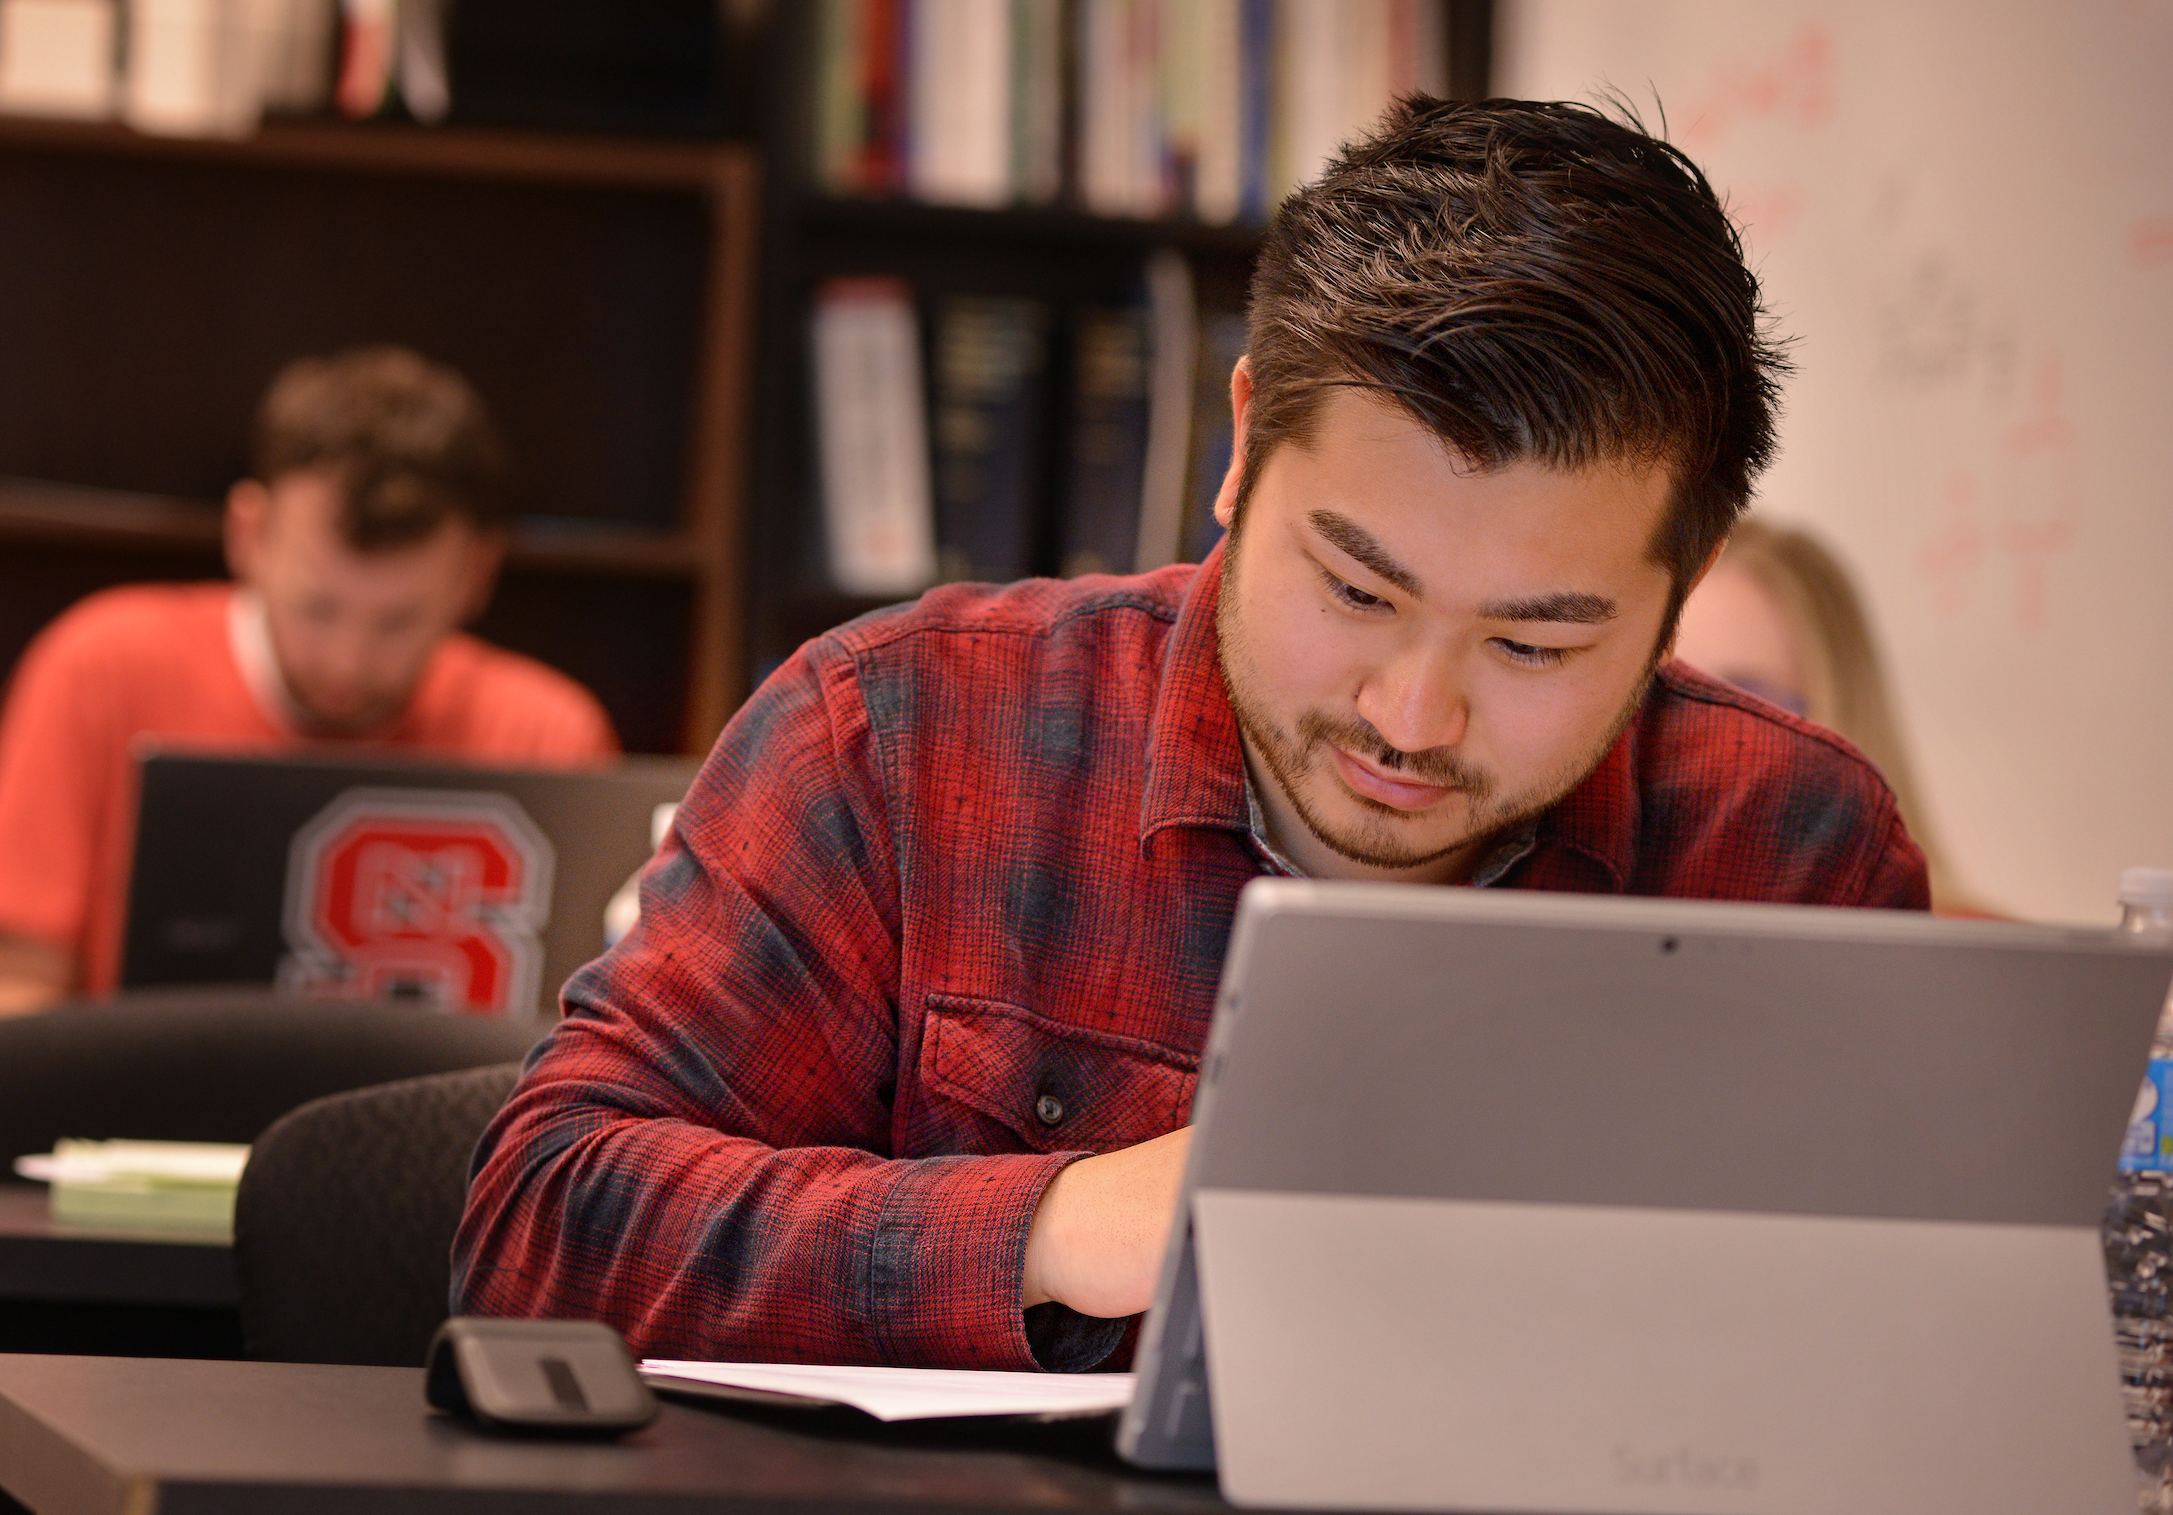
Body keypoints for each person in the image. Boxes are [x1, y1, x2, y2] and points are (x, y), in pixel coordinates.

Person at [454, 97, 1929, 1371]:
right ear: (1241, 448)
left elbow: (1898, 1360)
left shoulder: (1788, 846)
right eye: (1355, 587)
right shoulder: (903, 734)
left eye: (1538, 641)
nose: (1412, 716)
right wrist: (1051, 1226)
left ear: (1686, 585)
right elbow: (541, 1229)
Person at [0, 347, 620, 1019]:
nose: (349, 663)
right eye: (316, 608)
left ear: (475, 574)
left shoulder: (546, 731)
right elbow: (4, 994)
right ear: (249, 534)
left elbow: (591, 1043)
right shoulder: (99, 668)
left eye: (399, 622)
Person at [1674, 517, 1983, 914]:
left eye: (1745, 702)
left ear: (1840, 721)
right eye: (1659, 695)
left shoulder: (1977, 955)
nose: (1688, 741)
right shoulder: (1593, 934)